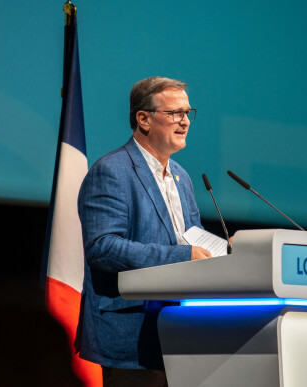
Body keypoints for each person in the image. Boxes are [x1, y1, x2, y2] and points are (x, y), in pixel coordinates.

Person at [74, 76, 212, 386]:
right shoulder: (113, 170)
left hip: (182, 332)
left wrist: (225, 250)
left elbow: (192, 238)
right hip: (132, 333)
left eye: (188, 113)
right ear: (143, 119)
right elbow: (102, 247)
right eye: (175, 113)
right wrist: (182, 256)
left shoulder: (181, 176)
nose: (185, 121)